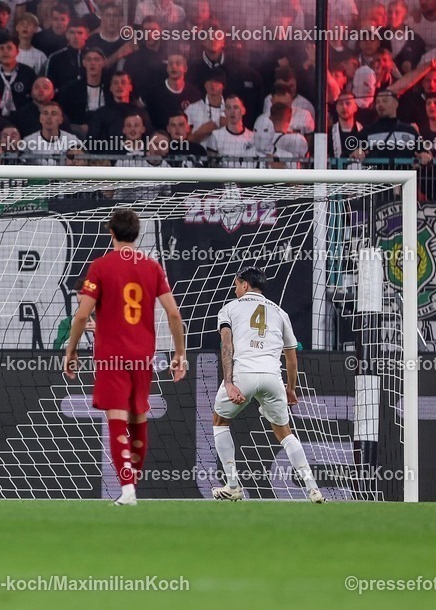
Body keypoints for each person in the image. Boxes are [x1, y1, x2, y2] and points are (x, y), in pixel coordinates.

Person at [63, 209, 187, 506]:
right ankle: (132, 487)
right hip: (143, 355)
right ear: (137, 233)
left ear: (111, 232)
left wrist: (71, 351)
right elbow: (173, 313)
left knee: (116, 419)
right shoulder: (152, 267)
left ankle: (128, 489)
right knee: (138, 417)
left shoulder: (101, 266)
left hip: (111, 356)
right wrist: (180, 354)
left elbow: (82, 315)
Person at [210, 268, 324, 503]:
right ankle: (313, 489)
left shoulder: (229, 308)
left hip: (244, 374)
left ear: (244, 285)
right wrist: (291, 389)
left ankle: (233, 486)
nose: (235, 289)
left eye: (236, 284)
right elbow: (291, 358)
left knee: (220, 421)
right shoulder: (280, 312)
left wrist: (229, 383)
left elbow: (226, 345)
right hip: (273, 376)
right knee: (284, 432)